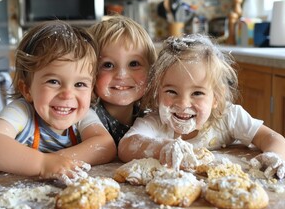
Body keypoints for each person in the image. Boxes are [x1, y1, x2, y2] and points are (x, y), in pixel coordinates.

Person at [118, 33, 285, 179]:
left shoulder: (228, 117)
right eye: (171, 91)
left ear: (216, 97)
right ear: (157, 92)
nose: (183, 104)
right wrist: (163, 148)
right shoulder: (155, 122)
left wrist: (273, 157)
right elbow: (126, 146)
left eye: (197, 93)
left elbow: (273, 139)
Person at [0, 20, 116, 181]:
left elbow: (105, 146)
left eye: (80, 84)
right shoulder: (22, 112)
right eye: (53, 82)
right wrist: (42, 163)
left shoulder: (83, 115)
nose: (67, 95)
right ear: (27, 90)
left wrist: (54, 161)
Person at [88, 15, 157, 145]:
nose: (121, 75)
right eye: (108, 65)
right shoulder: (86, 117)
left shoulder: (149, 117)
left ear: (151, 71)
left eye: (134, 63)